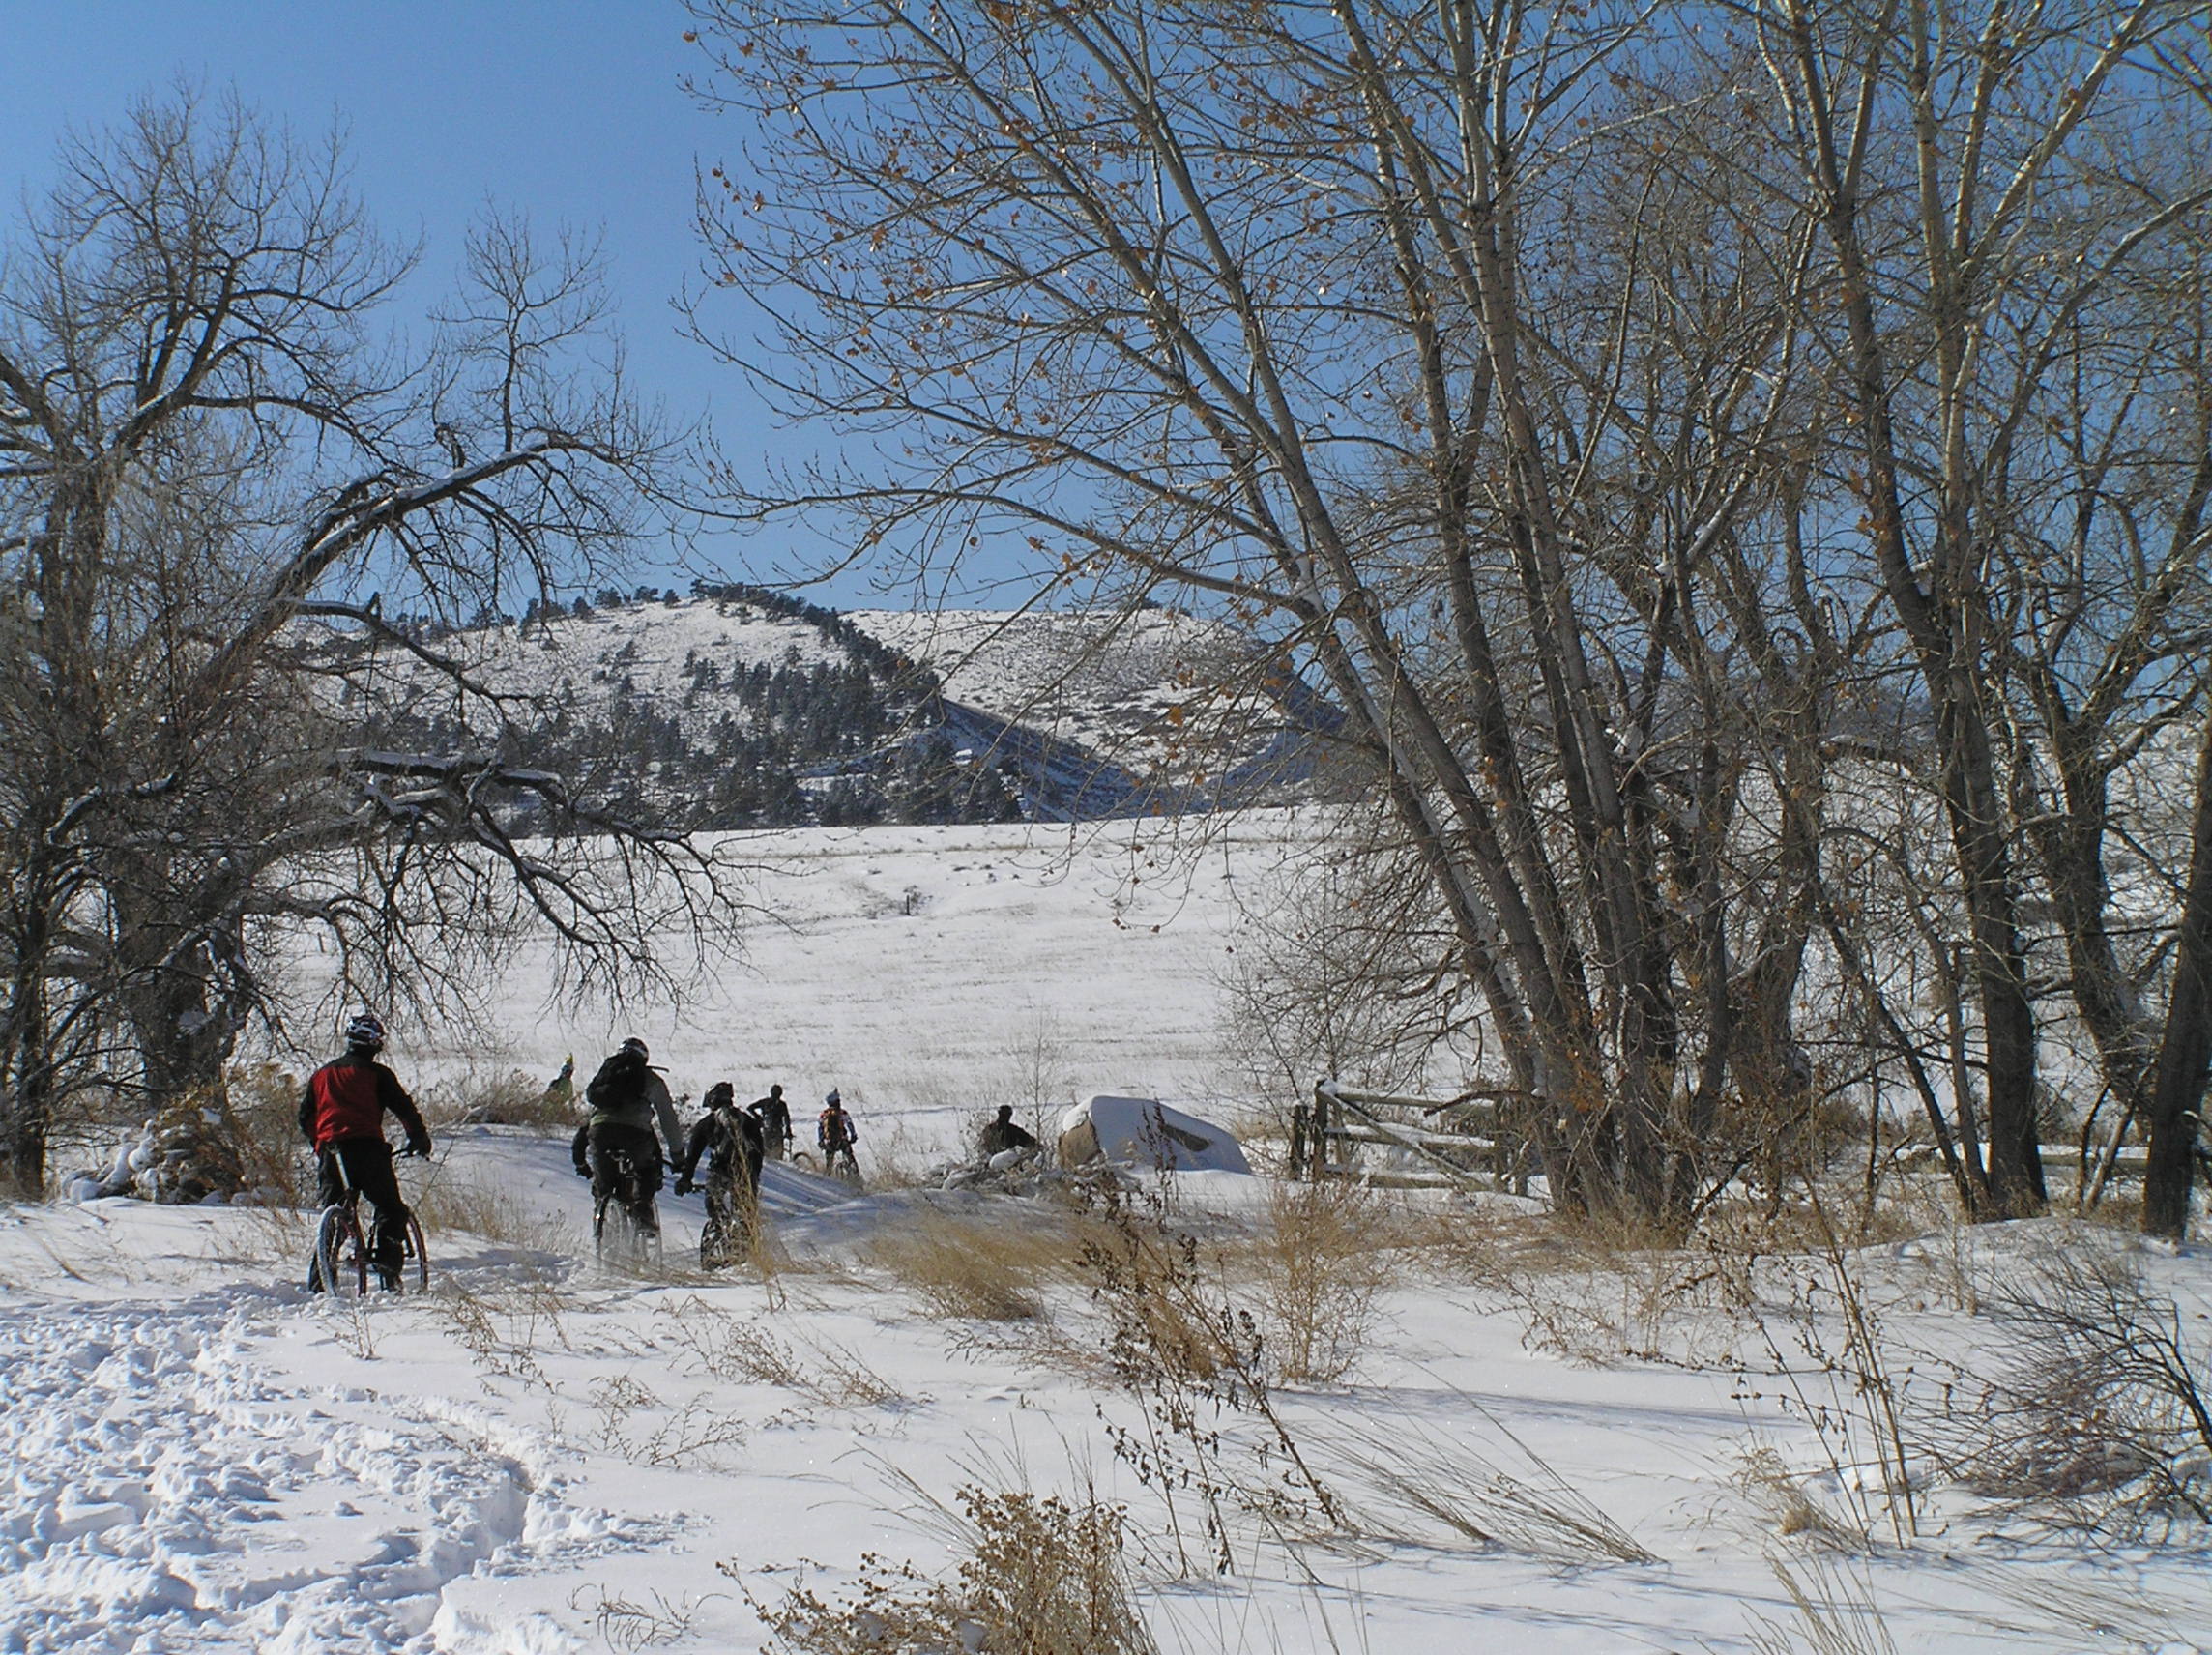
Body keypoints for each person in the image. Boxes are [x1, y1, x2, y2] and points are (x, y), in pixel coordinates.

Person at [299, 1012, 431, 1291]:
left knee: (334, 1215)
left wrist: (320, 1144)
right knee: (390, 1208)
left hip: (331, 1154)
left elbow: (305, 1117)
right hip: (367, 1150)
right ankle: (388, 1269)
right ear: (374, 1043)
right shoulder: (377, 1075)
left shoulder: (321, 1075)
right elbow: (404, 1109)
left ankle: (319, 1282)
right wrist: (418, 1139)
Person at [570, 1037, 685, 1238]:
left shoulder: (607, 1076)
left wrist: (579, 1160)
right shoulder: (652, 1080)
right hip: (636, 1133)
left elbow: (590, 1121)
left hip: (600, 1131)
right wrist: (678, 1156)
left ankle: (602, 1220)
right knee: (646, 1170)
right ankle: (642, 1211)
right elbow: (668, 1119)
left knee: (603, 1185)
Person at [675, 1082, 766, 1268]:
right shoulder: (748, 1121)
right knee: (746, 1213)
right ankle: (746, 1250)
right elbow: (759, 1152)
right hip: (745, 1172)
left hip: (718, 1171)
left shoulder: (705, 1124)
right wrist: (753, 1176)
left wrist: (685, 1179)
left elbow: (692, 1156)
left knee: (714, 1209)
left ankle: (716, 1238)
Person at [817, 1089, 859, 1180]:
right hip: (842, 1140)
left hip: (829, 1142)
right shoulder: (842, 1113)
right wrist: (853, 1136)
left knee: (829, 1164)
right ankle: (856, 1178)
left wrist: (820, 1140)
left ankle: (826, 1179)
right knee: (850, 1158)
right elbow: (849, 1124)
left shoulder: (824, 1114)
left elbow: (820, 1128)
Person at [748, 1083, 793, 1162]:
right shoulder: (781, 1104)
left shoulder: (766, 1102)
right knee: (776, 1152)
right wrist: (788, 1130)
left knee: (768, 1151)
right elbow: (787, 1118)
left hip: (768, 1129)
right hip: (775, 1130)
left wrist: (758, 1117)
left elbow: (750, 1108)